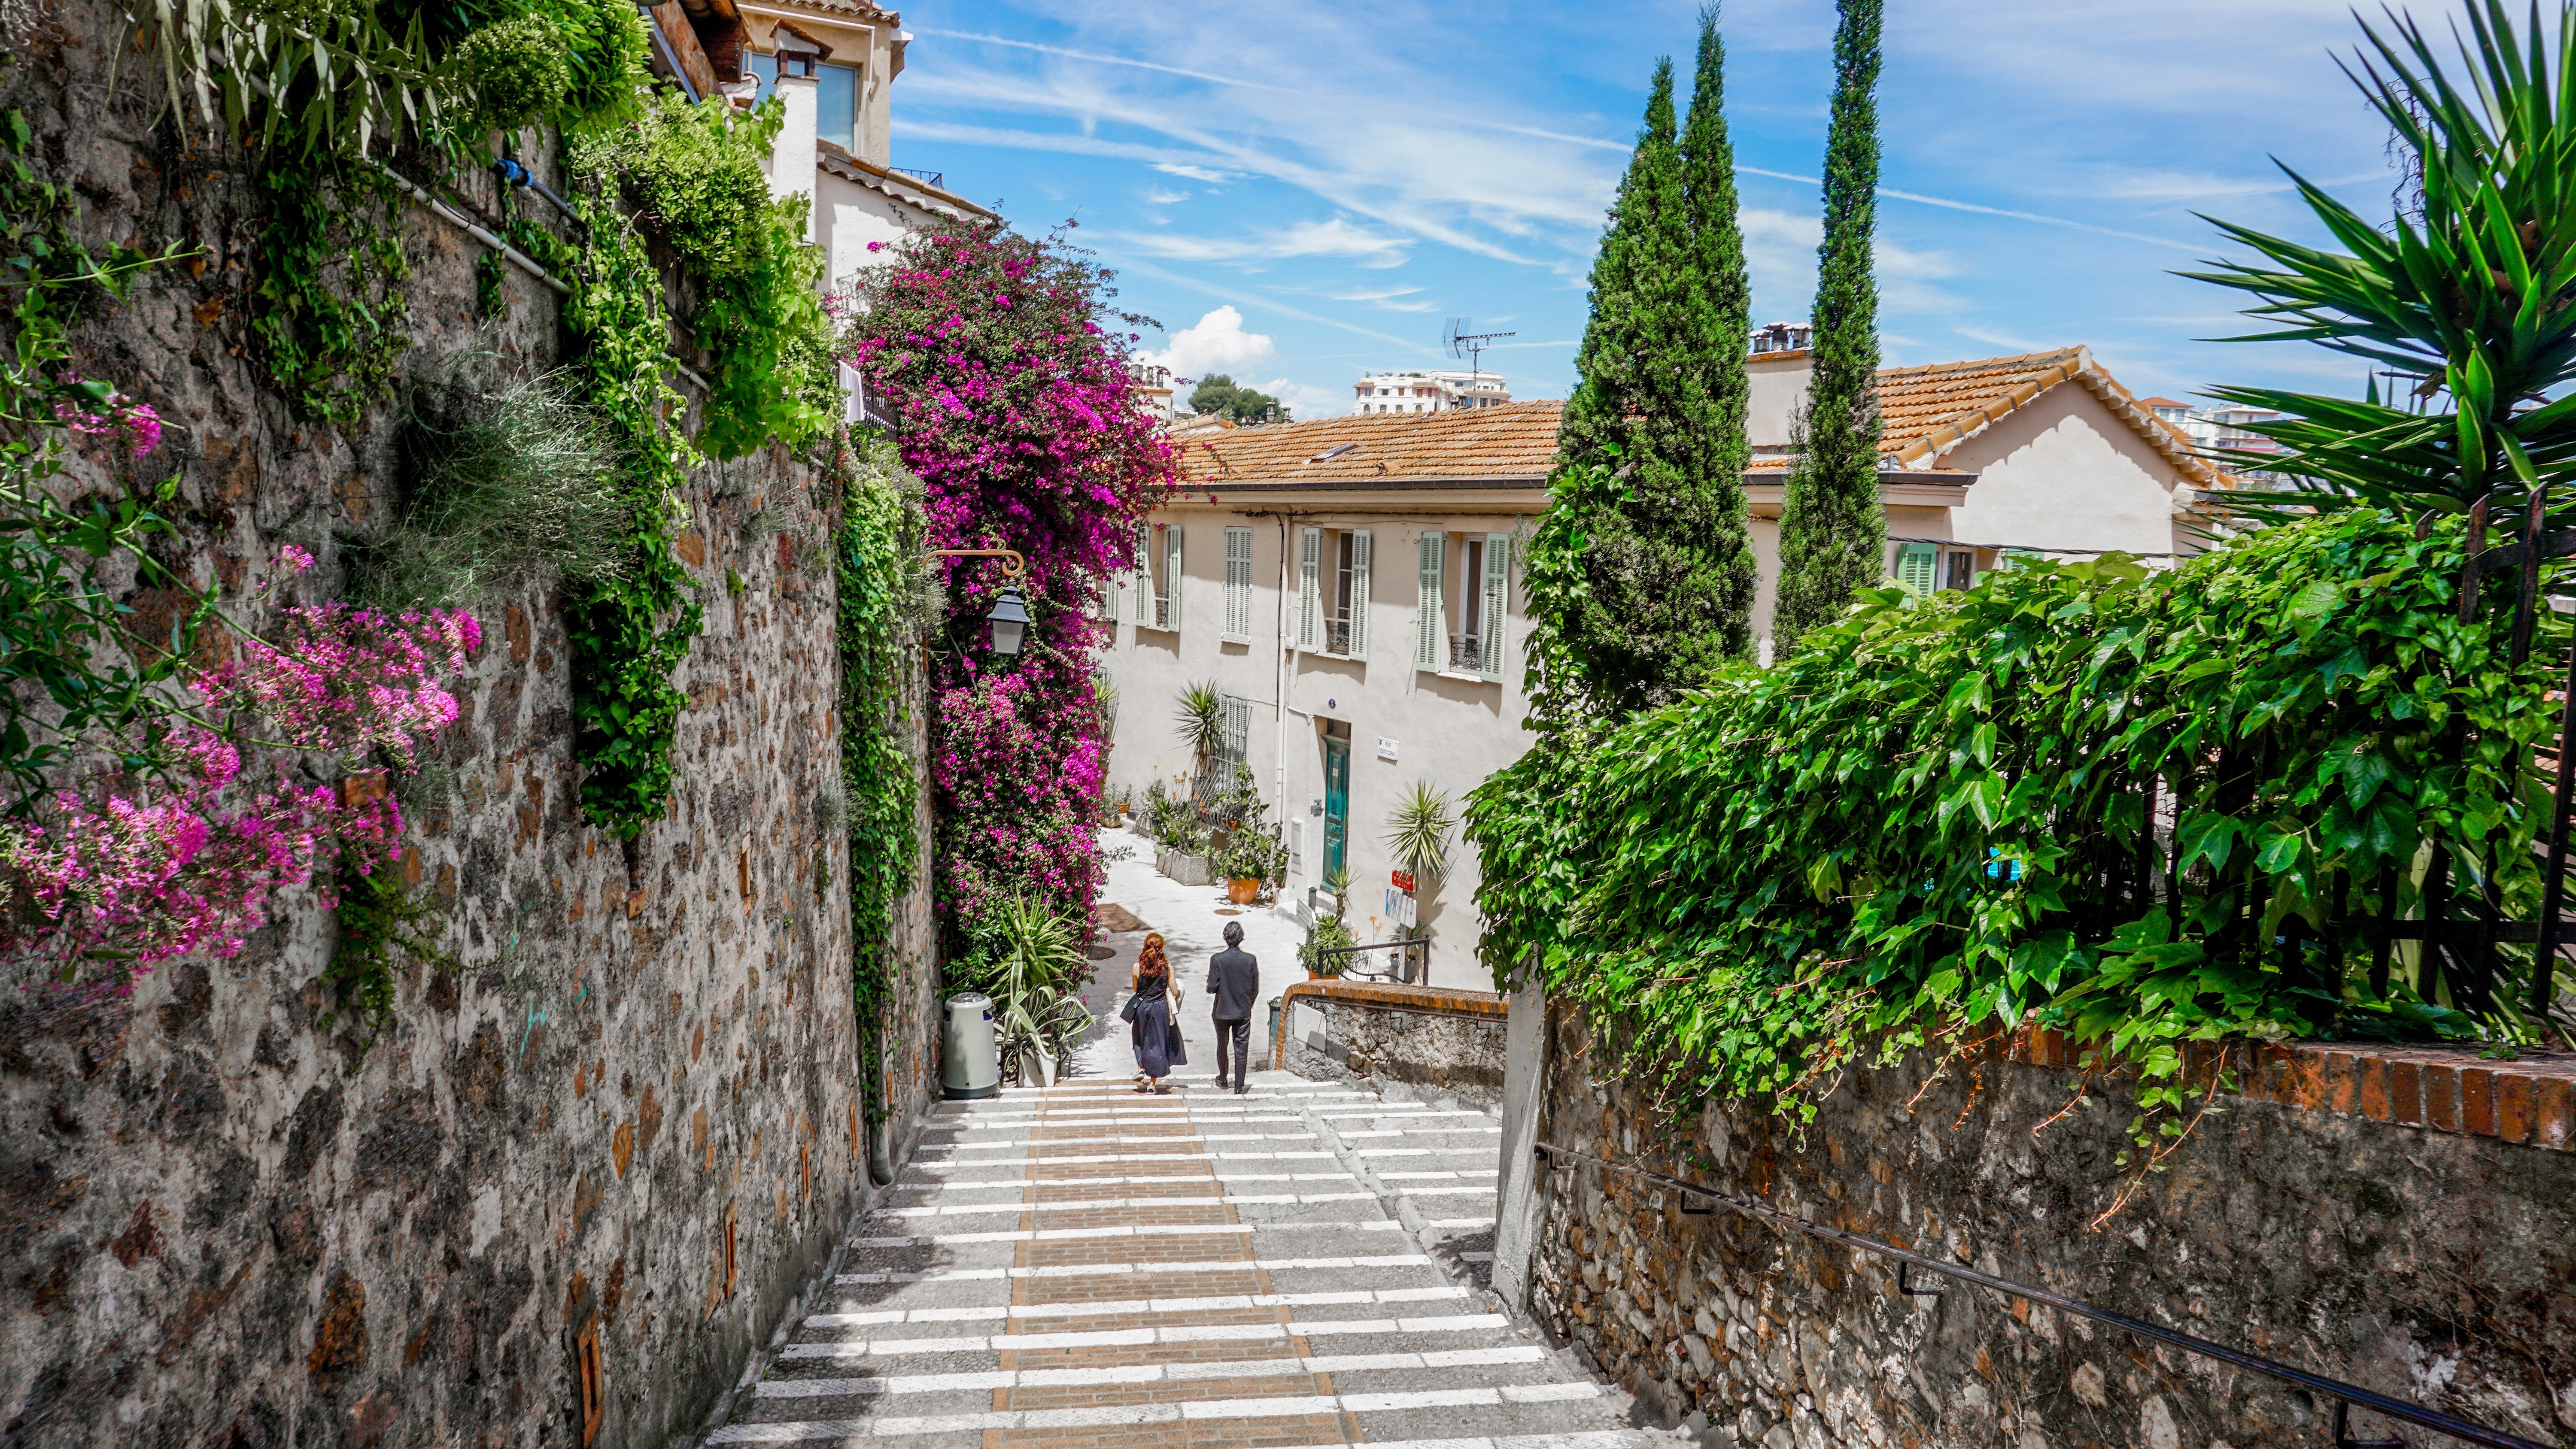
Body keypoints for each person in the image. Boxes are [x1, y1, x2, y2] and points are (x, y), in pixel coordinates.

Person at [1124, 934, 1186, 1094]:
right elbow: (1175, 992)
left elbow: (1137, 989)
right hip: (1160, 1009)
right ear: (1162, 949)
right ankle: (1152, 1084)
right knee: (1158, 1044)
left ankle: (1141, 1067)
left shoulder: (1137, 967)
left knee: (1140, 1039)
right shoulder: (1167, 968)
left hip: (1143, 1009)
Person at [1205, 921, 1260, 1094]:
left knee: (1223, 1044)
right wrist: (1248, 1005)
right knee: (1241, 1049)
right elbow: (1255, 988)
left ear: (1225, 938)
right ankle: (1239, 1087)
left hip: (1222, 1011)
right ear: (1241, 938)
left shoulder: (1217, 959)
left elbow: (1211, 988)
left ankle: (1223, 1078)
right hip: (1243, 1012)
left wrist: (1210, 979)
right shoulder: (1250, 960)